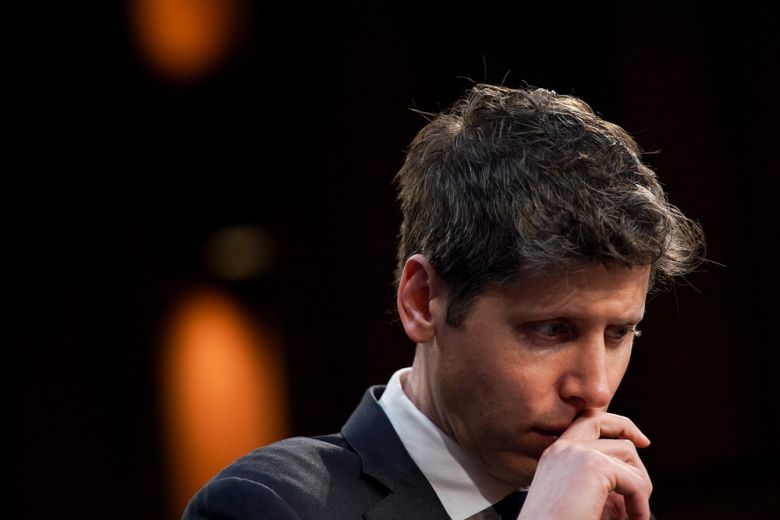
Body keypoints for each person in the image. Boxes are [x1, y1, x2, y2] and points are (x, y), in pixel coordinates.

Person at [183, 84, 704, 520]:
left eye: (618, 333)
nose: (594, 389)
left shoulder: (607, 501)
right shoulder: (266, 504)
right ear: (422, 301)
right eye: (552, 330)